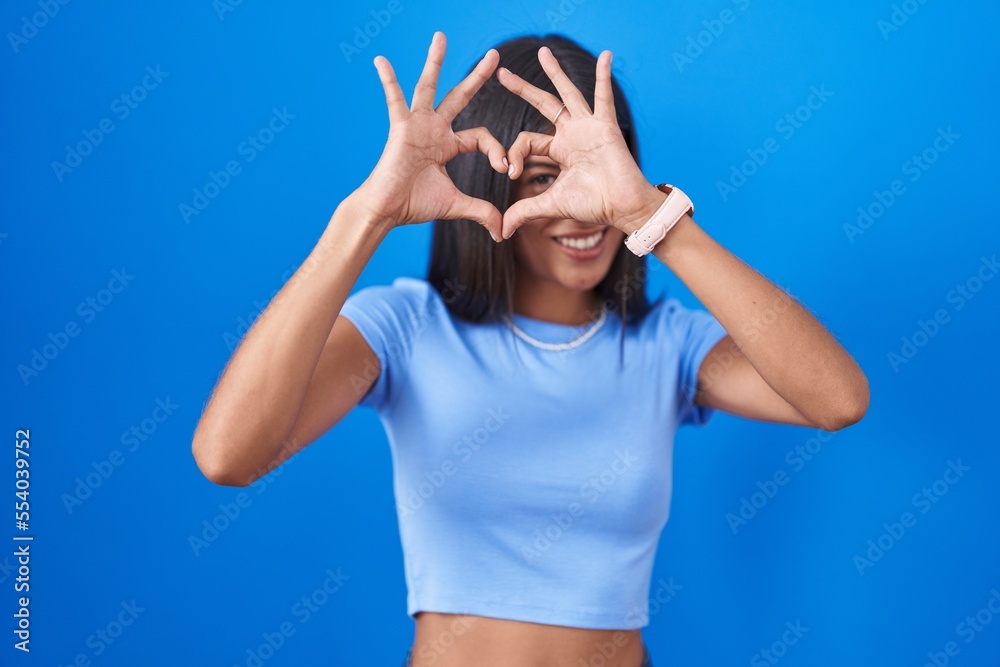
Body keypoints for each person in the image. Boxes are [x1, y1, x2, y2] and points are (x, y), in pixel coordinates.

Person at [191, 30, 869, 667]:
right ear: (491, 179)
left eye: (600, 172)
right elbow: (229, 456)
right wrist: (364, 217)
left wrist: (649, 218)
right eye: (543, 177)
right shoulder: (406, 326)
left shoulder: (667, 345)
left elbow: (837, 399)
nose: (581, 211)